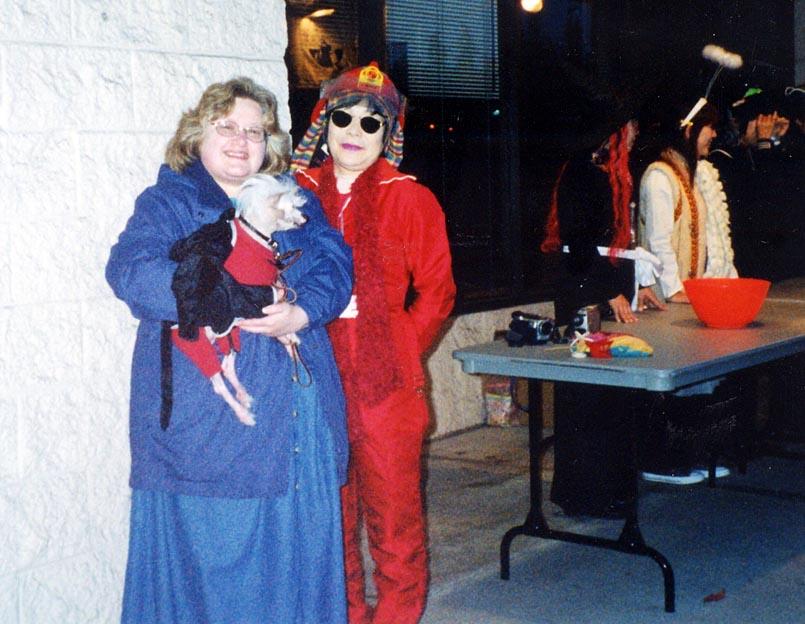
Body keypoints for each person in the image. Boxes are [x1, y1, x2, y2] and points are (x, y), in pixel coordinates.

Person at [106, 77, 353, 624]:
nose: (242, 141)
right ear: (198, 134)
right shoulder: (171, 201)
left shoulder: (293, 196)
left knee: (299, 557)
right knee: (220, 570)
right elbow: (130, 271)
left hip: (299, 416)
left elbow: (335, 265)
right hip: (212, 421)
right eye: (227, 127)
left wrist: (302, 311)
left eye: (255, 131)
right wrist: (230, 301)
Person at [292, 62, 456, 624]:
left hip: (385, 386)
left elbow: (437, 292)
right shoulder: (294, 196)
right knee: (329, 517)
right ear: (324, 122)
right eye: (344, 117)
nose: (354, 132)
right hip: (315, 376)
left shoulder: (410, 199)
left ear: (388, 135)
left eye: (371, 123)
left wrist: (396, 343)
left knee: (394, 517)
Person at [541, 118, 667, 517]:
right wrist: (608, 290)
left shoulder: (609, 174)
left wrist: (639, 284)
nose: (635, 134)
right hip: (583, 292)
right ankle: (586, 495)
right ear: (615, 130)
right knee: (588, 397)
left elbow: (616, 244)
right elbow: (578, 244)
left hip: (600, 288)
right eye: (631, 127)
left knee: (611, 397)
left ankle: (611, 489)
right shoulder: (582, 172)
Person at [636, 100, 741, 482]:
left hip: (688, 297)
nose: (713, 134)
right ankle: (661, 462)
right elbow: (659, 241)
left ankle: (691, 456)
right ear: (687, 130)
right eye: (707, 126)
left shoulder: (689, 174)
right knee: (669, 381)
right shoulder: (659, 176)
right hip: (666, 300)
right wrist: (675, 289)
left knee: (694, 378)